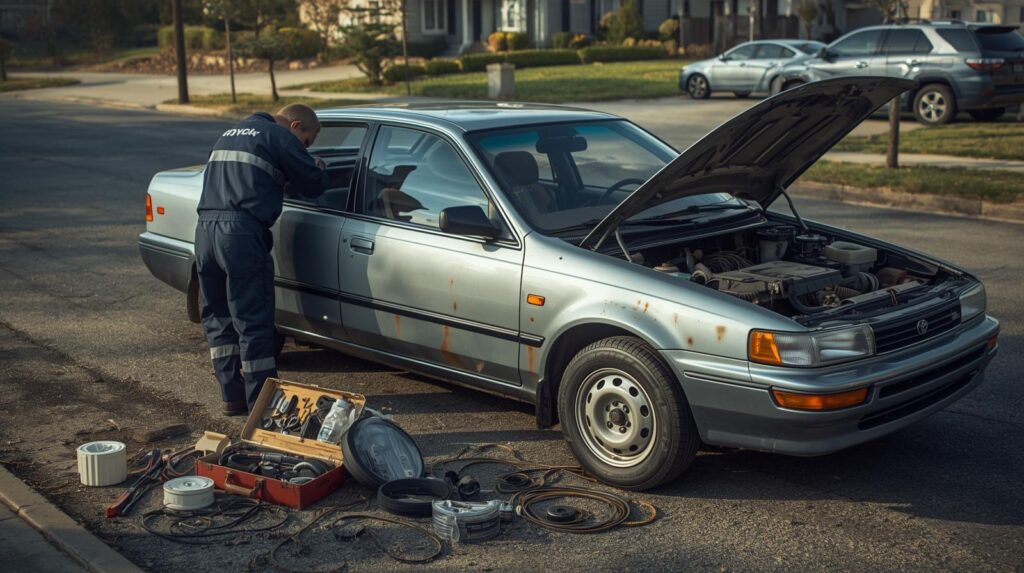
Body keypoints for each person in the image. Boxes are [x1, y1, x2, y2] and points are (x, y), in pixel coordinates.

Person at [195, 104, 328, 416]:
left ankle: (232, 397)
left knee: (218, 318)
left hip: (205, 232)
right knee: (252, 320)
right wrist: (317, 166)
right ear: (295, 125)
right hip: (240, 234)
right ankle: (262, 406)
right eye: (306, 141)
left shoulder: (229, 133)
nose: (303, 147)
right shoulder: (278, 137)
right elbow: (312, 184)